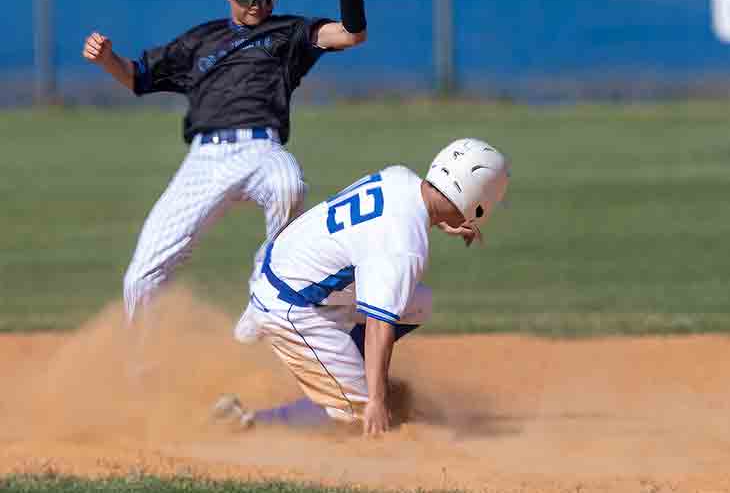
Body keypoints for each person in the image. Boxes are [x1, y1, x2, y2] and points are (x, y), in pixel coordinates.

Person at [81, 0, 368, 324]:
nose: (258, 3)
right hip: (205, 160)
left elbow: (350, 35)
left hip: (262, 149)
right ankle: (137, 370)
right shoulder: (199, 40)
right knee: (141, 276)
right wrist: (107, 61)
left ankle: (267, 292)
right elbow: (138, 77)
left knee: (288, 184)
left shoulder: (290, 33)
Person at [213, 138, 510, 436]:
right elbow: (378, 326)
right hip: (290, 307)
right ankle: (251, 421)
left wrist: (444, 221)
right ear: (477, 203)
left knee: (418, 303)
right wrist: (376, 399)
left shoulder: (400, 177)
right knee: (359, 419)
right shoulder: (403, 246)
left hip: (281, 267)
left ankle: (345, 370)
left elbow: (387, 223)